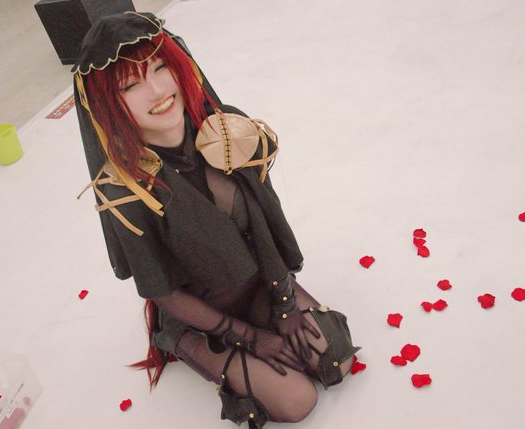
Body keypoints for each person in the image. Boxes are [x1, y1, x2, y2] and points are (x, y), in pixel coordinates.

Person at [74, 11, 361, 428]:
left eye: (160, 68)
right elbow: (164, 292)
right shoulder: (123, 188)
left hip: (258, 282)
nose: (158, 91)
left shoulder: (225, 131)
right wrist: (250, 336)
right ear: (107, 104)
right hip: (200, 314)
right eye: (130, 85)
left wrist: (283, 302)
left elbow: (263, 221)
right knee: (297, 401)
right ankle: (188, 346)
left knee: (336, 359)